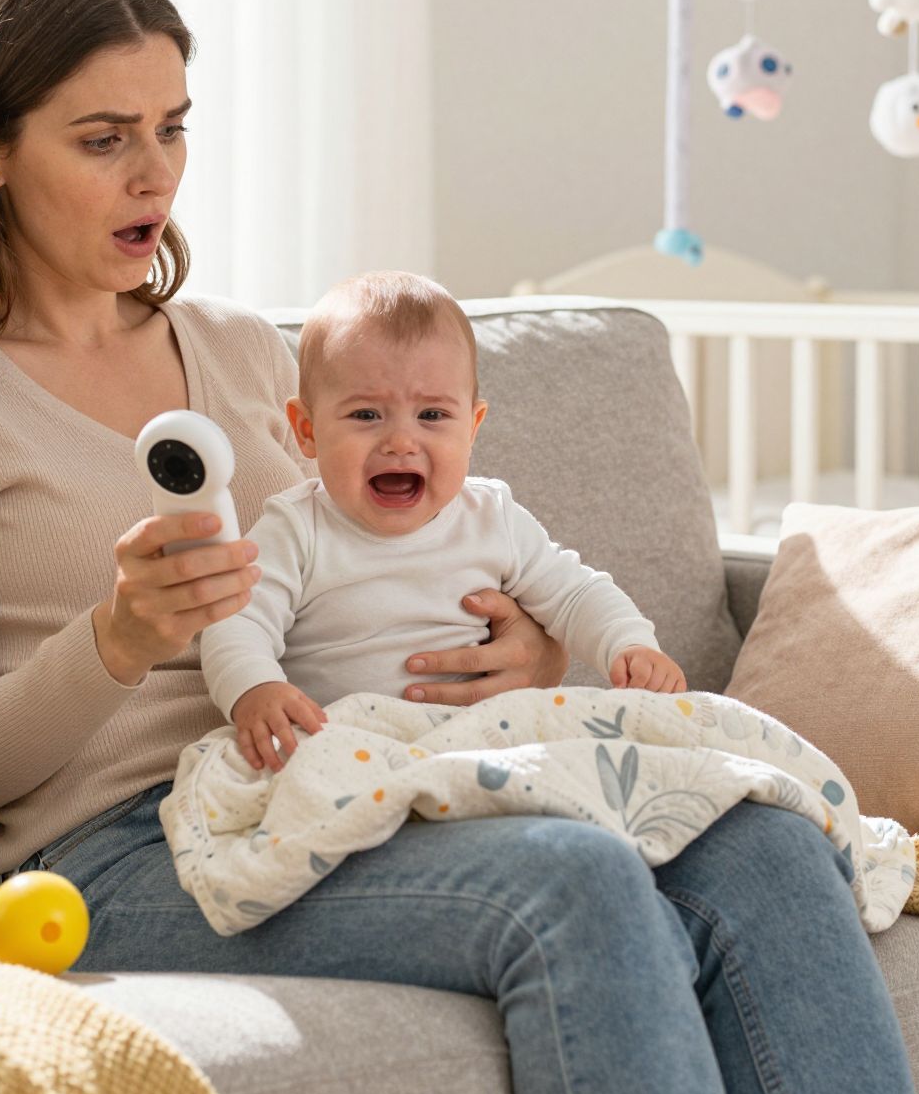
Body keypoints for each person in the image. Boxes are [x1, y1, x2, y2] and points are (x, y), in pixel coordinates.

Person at [0, 0, 919, 1094]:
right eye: (103, 138)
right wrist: (115, 642)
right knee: (576, 887)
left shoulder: (243, 349)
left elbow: (412, 551)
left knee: (762, 844)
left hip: (359, 774)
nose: (154, 175)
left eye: (173, 129)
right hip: (122, 854)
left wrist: (525, 652)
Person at [205, 269, 687, 776]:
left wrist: (629, 644)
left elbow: (575, 594)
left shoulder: (491, 518)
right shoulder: (297, 529)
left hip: (481, 744)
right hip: (348, 750)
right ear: (307, 430)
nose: (401, 442)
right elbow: (237, 622)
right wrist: (254, 688)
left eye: (432, 416)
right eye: (366, 415)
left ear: (472, 427)